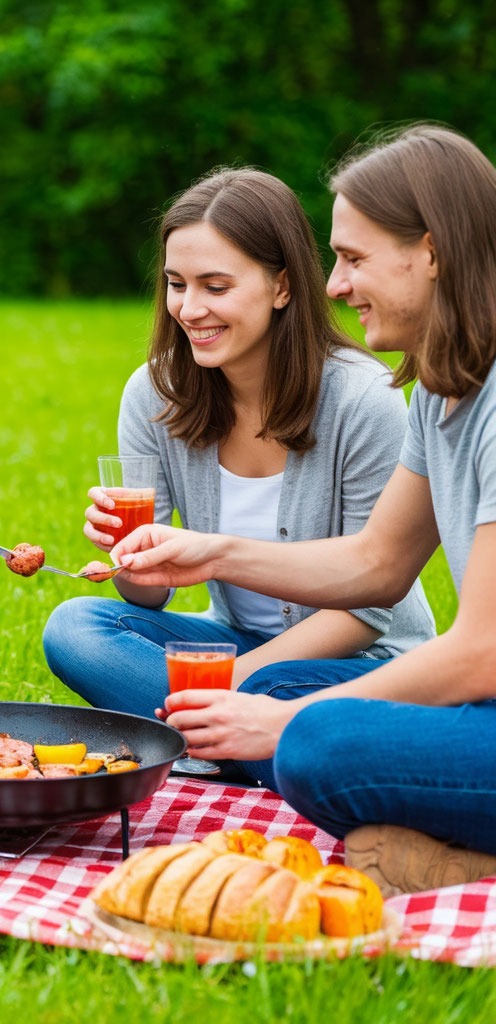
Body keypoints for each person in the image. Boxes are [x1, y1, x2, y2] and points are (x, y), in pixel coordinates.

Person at [112, 124, 496, 896]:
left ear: (432, 252)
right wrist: (214, 554)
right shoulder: (440, 394)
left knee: (313, 737)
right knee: (295, 713)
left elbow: (481, 649)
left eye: (353, 258)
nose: (336, 284)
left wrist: (283, 721)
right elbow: (377, 564)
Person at [42, 167, 435, 775]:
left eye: (215, 286)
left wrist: (232, 681)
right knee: (75, 627)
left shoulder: (364, 400)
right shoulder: (156, 393)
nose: (189, 308)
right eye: (176, 284)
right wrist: (130, 554)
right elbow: (151, 593)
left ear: (281, 286)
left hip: (361, 658)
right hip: (233, 646)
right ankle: (235, 742)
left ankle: (209, 736)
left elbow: (367, 612)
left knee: (274, 694)